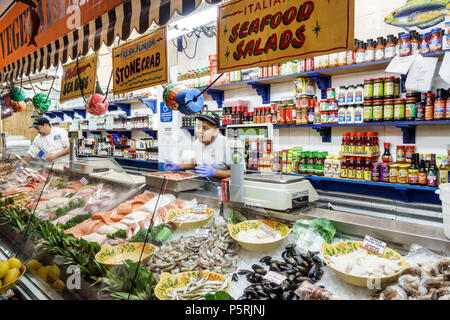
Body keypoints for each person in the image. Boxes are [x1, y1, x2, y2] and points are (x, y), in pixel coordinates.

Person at [164, 112, 231, 179]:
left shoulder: (227, 146)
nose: (200, 131)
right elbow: (197, 161)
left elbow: (240, 172)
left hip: (220, 188)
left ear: (216, 131)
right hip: (201, 186)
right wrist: (178, 166)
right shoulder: (198, 143)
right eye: (198, 127)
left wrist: (215, 172)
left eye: (205, 128)